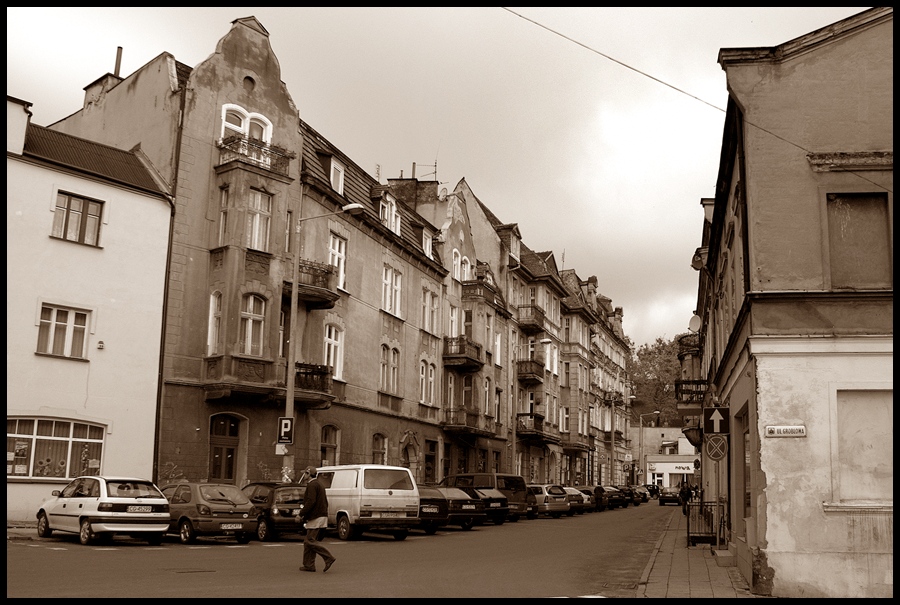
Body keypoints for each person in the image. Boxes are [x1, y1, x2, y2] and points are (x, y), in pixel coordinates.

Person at [299, 466, 336, 573]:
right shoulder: (319, 484)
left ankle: (328, 557)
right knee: (308, 542)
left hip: (316, 516)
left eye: (305, 474)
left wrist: (301, 514)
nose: (303, 476)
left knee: (310, 541)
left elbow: (311, 501)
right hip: (321, 515)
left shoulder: (312, 485)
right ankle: (308, 565)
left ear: (308, 474)